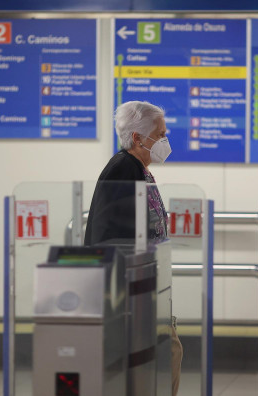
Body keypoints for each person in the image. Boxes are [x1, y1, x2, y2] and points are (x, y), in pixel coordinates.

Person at [84, 101, 183, 395]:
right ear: (138, 138)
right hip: (130, 291)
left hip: (146, 285)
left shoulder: (137, 169)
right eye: (160, 134)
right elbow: (108, 235)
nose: (164, 141)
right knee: (167, 355)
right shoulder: (122, 170)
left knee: (168, 355)